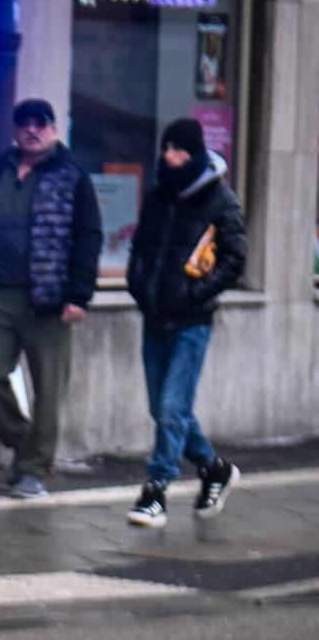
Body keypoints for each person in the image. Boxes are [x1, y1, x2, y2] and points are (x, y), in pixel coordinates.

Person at [0, 98, 103, 499]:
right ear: (15, 131)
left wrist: (79, 296)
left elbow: (89, 237)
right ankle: (26, 445)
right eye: (24, 124)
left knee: (48, 388)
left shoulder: (72, 175)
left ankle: (34, 471)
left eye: (40, 124)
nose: (32, 130)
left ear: (53, 129)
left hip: (49, 298)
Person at [122, 118, 245, 527]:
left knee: (173, 407)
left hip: (192, 321)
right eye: (167, 148)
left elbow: (234, 258)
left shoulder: (219, 199)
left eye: (178, 149)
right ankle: (213, 469)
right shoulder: (158, 195)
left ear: (194, 153)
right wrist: (139, 285)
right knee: (163, 408)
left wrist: (195, 295)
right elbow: (140, 248)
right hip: (155, 314)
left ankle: (156, 489)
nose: (170, 156)